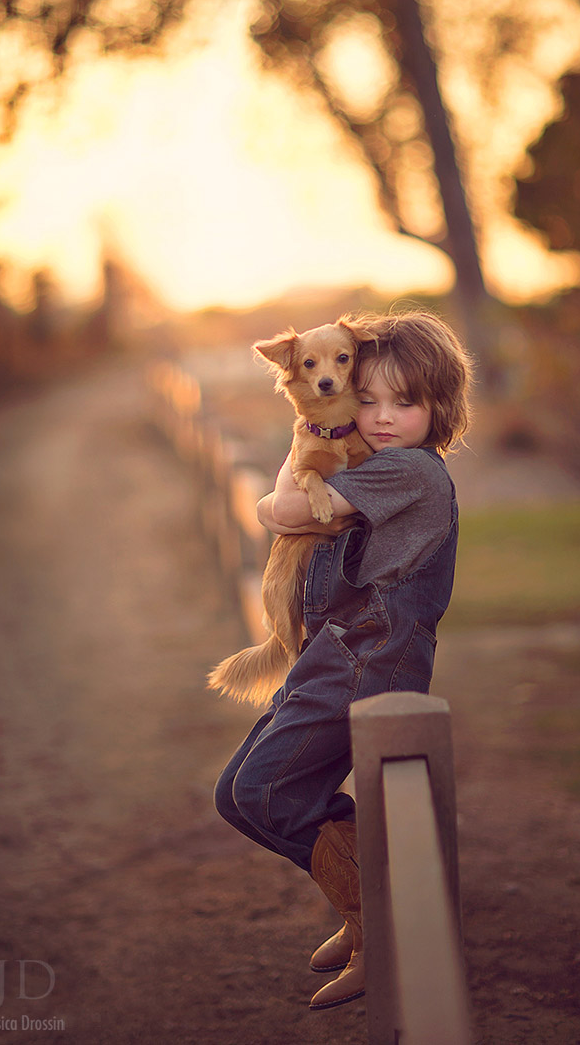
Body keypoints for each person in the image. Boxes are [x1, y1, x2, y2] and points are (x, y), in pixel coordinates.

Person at [214, 310, 473, 1010]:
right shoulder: (373, 457)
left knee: (262, 793)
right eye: (369, 399)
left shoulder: (410, 473)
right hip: (334, 652)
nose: (382, 418)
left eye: (405, 403)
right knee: (237, 790)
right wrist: (308, 438)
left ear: (439, 407)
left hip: (371, 659)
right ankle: (368, 908)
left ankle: (381, 928)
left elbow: (283, 511)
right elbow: (299, 477)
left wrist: (298, 459)